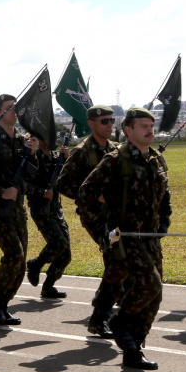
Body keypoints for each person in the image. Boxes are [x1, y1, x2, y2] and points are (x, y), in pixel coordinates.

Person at [79, 108, 171, 370]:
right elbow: (86, 193)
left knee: (155, 296)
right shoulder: (115, 160)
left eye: (151, 125)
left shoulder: (156, 159)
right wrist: (101, 229)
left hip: (150, 236)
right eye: (143, 126)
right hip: (124, 236)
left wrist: (164, 222)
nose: (150, 130)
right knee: (149, 283)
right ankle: (120, 322)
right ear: (129, 131)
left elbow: (166, 196)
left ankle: (133, 348)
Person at [54, 105, 119, 339]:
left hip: (115, 214)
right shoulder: (82, 151)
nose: (110, 124)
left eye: (112, 120)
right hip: (94, 215)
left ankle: (106, 300)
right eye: (104, 121)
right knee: (115, 259)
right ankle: (99, 319)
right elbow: (62, 184)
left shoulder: (116, 149)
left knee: (118, 260)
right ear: (91, 124)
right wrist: (93, 196)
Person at [0, 94, 39, 325]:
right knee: (14, 254)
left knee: (20, 261)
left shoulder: (22, 140)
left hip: (17, 207)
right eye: (9, 108)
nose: (14, 112)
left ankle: (2, 303)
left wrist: (32, 153)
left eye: (16, 108)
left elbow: (32, 172)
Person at [25, 141, 72, 299]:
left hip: (56, 209)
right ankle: (36, 264)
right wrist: (41, 192)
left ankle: (48, 287)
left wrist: (67, 159)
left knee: (66, 255)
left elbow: (67, 178)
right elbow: (23, 184)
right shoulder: (34, 158)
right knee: (59, 243)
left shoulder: (55, 157)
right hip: (41, 209)